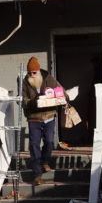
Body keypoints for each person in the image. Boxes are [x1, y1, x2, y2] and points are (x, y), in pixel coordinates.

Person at [22, 56, 62, 185]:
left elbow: (59, 89)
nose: (32, 75)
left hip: (49, 116)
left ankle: (45, 161)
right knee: (34, 145)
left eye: (34, 72)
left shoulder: (47, 78)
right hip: (34, 118)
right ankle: (37, 175)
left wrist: (64, 97)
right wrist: (34, 102)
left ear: (38, 71)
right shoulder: (25, 82)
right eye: (30, 73)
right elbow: (23, 100)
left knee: (49, 142)